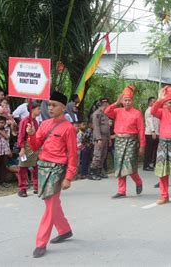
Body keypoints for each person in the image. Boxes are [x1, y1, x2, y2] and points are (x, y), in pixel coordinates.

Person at [26, 91, 78, 258]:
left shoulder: (69, 128)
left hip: (57, 170)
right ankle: (64, 230)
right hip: (43, 168)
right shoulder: (44, 124)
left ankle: (41, 243)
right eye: (49, 104)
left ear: (63, 108)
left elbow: (73, 154)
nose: (50, 107)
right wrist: (31, 134)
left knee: (50, 206)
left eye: (54, 105)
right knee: (52, 203)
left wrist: (68, 177)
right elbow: (35, 146)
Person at [104, 86, 145, 198]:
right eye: (125, 100)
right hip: (119, 140)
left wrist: (142, 145)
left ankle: (138, 181)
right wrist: (116, 103)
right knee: (119, 165)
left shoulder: (137, 113)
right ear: (122, 101)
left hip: (131, 140)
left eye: (129, 100)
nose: (127, 102)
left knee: (129, 165)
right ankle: (122, 191)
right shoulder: (117, 111)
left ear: (132, 101)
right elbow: (107, 111)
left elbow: (141, 130)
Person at [17, 101, 41, 197]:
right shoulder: (24, 121)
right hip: (26, 146)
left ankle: (36, 187)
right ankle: (22, 189)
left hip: (34, 146)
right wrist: (22, 148)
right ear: (32, 110)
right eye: (38, 109)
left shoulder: (35, 121)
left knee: (36, 167)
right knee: (22, 168)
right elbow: (21, 135)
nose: (40, 110)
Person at [89, 98, 111, 180]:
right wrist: (98, 139)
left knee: (103, 155)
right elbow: (96, 127)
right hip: (100, 137)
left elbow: (107, 127)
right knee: (97, 155)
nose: (108, 105)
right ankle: (92, 173)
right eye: (107, 104)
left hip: (105, 137)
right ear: (103, 104)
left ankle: (99, 171)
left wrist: (109, 139)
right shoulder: (97, 114)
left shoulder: (105, 114)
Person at [0, 115, 11, 188]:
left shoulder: (7, 128)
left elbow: (7, 137)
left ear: (5, 123)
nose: (1, 124)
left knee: (3, 166)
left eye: (2, 122)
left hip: (5, 150)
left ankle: (3, 181)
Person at [143, 97, 159, 171]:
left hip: (156, 132)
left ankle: (152, 163)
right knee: (149, 150)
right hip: (150, 133)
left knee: (154, 149)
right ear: (149, 103)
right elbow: (149, 121)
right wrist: (153, 131)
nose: (154, 103)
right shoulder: (149, 110)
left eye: (155, 101)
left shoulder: (156, 110)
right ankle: (146, 165)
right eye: (153, 101)